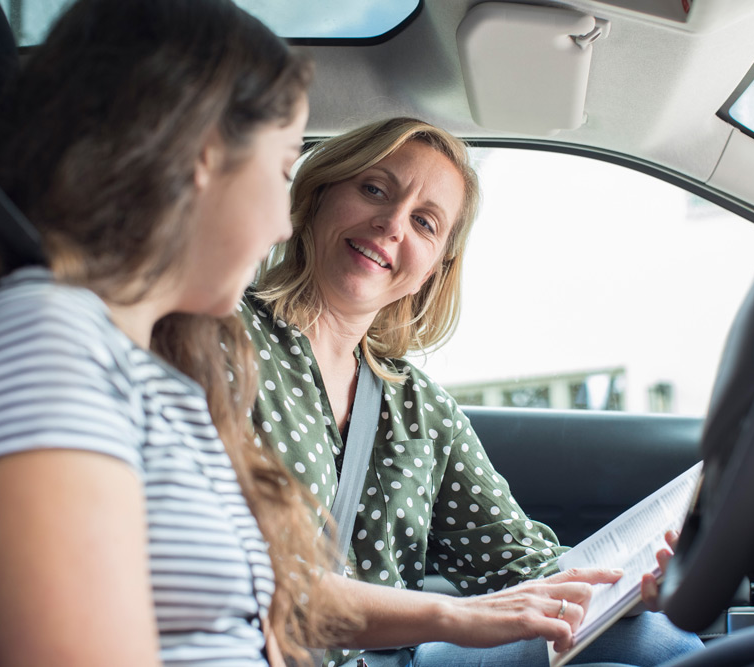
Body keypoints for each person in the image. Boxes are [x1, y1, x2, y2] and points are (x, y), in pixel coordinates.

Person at [0, 0, 355, 664]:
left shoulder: (152, 370)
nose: (285, 224)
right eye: (284, 169)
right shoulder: (46, 339)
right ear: (203, 150)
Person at [244, 117, 705, 667]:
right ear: (318, 197)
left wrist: (626, 586)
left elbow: (522, 570)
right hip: (262, 650)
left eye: (424, 222)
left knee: (657, 640)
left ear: (434, 271)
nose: (392, 224)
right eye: (374, 189)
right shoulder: (225, 339)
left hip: (393, 661)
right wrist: (452, 617)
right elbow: (239, 575)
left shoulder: (419, 408)